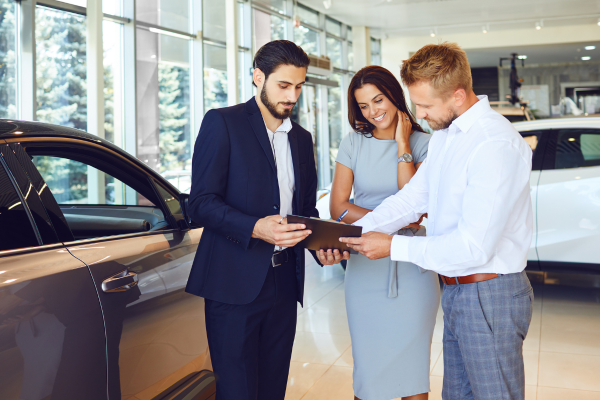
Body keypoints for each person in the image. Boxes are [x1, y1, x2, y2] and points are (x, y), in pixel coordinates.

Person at [335, 42, 535, 400]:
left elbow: (473, 246)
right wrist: (351, 235)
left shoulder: (493, 144)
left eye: (426, 105)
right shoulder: (446, 137)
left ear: (457, 96)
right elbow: (411, 200)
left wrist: (393, 245)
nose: (420, 115)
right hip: (456, 289)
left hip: (490, 292)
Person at [185, 40, 320, 400]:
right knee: (237, 391)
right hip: (233, 282)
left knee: (273, 388)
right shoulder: (222, 123)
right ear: (258, 77)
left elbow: (307, 209)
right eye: (284, 86)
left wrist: (324, 247)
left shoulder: (302, 140)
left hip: (284, 281)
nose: (292, 96)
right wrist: (254, 227)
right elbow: (199, 203)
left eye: (299, 87)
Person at [327, 65, 440, 400]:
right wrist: (393, 220)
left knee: (412, 373)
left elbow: (415, 204)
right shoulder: (353, 144)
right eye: (363, 105)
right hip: (365, 268)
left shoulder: (426, 145)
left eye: (379, 100)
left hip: (413, 269)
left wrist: (403, 142)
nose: (373, 111)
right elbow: (338, 208)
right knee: (369, 372)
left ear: (395, 96)